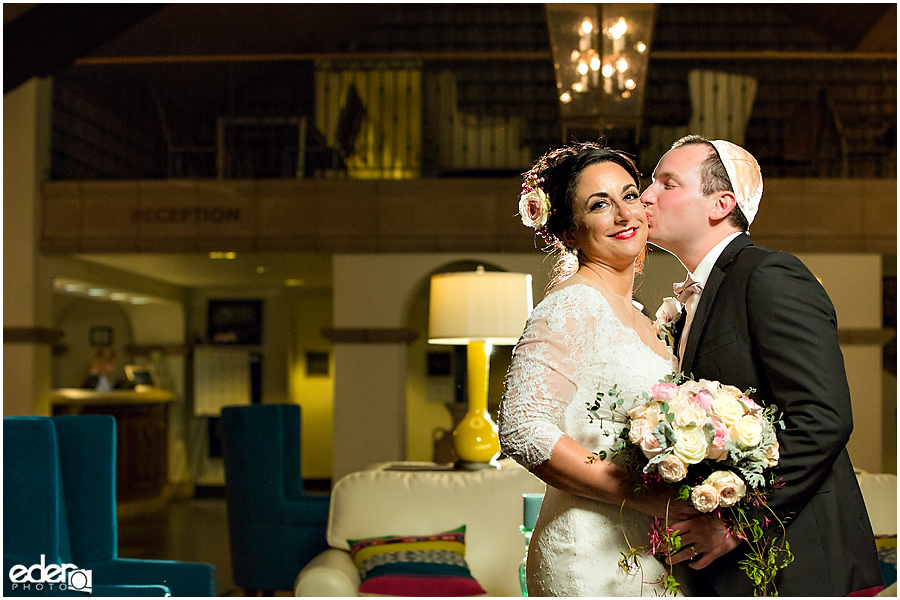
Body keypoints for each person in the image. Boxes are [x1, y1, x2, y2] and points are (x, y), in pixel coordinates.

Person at [640, 134, 884, 596]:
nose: (647, 196)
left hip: (799, 565)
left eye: (667, 183)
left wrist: (737, 520)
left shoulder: (769, 275)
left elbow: (823, 418)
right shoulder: (691, 298)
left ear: (721, 203)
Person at [498, 141, 698, 597]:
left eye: (630, 196)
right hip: (587, 555)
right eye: (599, 204)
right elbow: (522, 429)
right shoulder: (573, 304)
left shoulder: (650, 321)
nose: (625, 214)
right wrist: (642, 494)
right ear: (569, 232)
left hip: (650, 553)